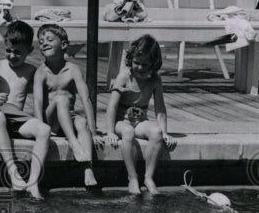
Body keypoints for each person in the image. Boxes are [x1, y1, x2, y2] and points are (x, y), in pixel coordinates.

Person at [0, 21, 51, 199]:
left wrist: (40, 118)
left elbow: (39, 97)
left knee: (44, 129)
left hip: (16, 122)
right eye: (8, 50)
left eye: (18, 52)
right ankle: (13, 172)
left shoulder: (31, 70)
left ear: (29, 50)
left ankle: (33, 183)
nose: (12, 55)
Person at [103, 34, 177, 194]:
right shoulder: (124, 77)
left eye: (145, 65)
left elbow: (160, 109)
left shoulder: (155, 81)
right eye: (137, 63)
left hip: (140, 122)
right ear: (130, 60)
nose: (140, 68)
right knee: (128, 132)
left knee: (156, 132)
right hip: (121, 121)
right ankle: (132, 177)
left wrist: (165, 133)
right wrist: (109, 131)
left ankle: (149, 177)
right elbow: (111, 107)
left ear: (153, 65)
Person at [33, 24, 99, 188]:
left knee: (82, 123)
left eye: (49, 40)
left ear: (63, 45)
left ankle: (88, 168)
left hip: (68, 118)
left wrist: (94, 130)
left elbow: (86, 98)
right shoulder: (41, 72)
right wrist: (40, 129)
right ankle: (74, 144)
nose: (44, 44)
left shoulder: (73, 70)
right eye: (41, 42)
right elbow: (38, 102)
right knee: (61, 99)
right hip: (51, 122)